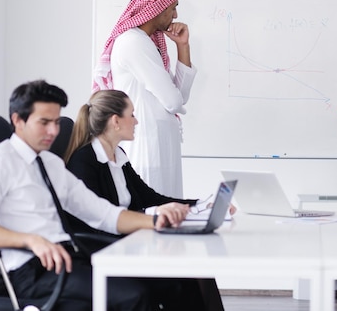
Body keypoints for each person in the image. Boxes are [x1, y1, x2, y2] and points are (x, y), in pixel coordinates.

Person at [0, 80, 189, 310]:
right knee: (133, 295)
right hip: (27, 270)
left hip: (66, 256)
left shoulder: (51, 164)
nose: (53, 131)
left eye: (56, 122)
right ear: (18, 120)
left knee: (166, 280)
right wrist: (31, 240)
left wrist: (157, 221)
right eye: (44, 122)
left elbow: (103, 214)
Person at [64, 89, 225, 310]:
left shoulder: (118, 155)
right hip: (106, 248)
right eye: (132, 115)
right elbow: (97, 220)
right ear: (116, 121)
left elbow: (151, 197)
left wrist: (201, 204)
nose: (137, 121)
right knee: (180, 279)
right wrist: (152, 217)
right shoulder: (84, 162)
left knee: (196, 267)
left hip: (132, 241)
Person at [93, 0, 196, 198]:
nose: (175, 15)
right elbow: (174, 101)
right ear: (157, 9)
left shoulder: (146, 42)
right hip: (147, 147)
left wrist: (183, 46)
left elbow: (180, 97)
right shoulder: (133, 42)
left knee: (169, 213)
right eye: (172, 8)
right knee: (155, 216)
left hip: (160, 144)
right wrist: (175, 100)